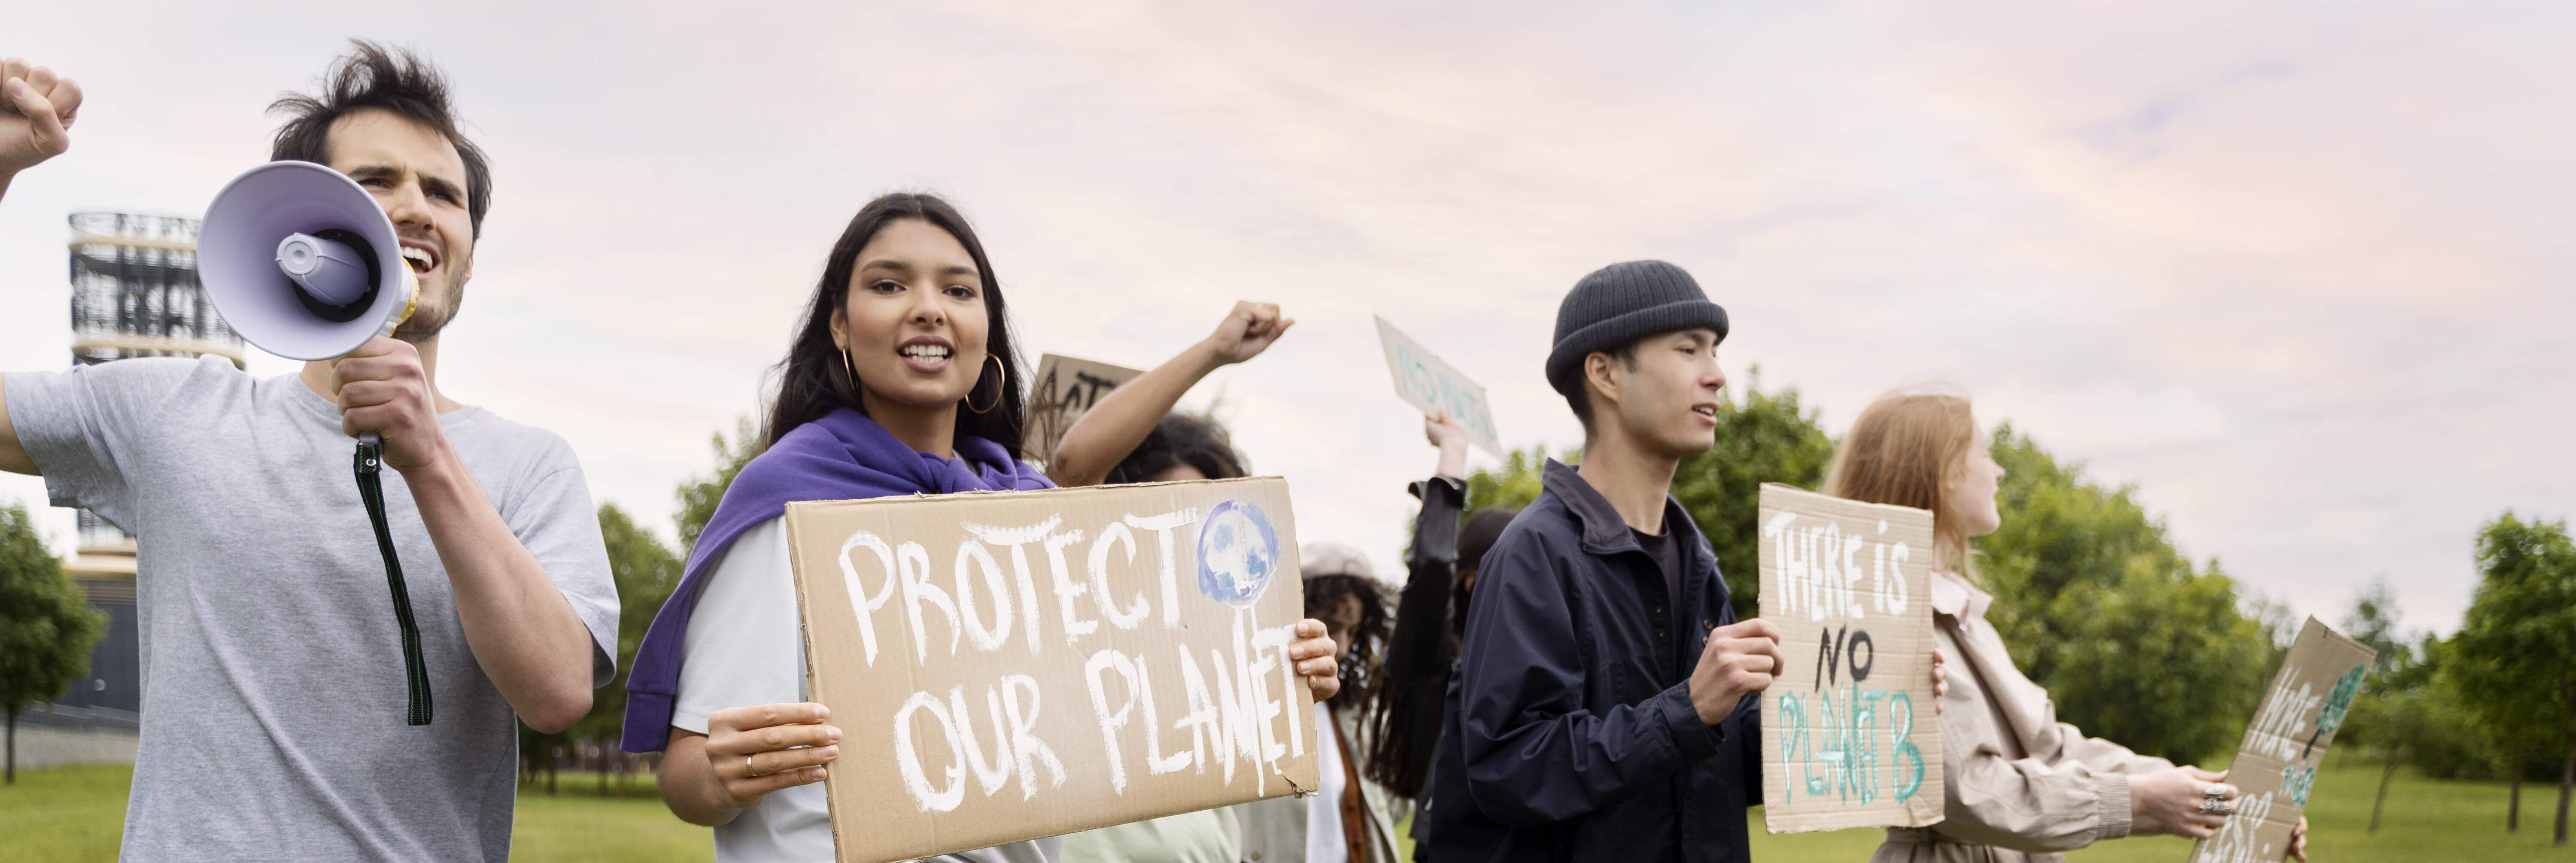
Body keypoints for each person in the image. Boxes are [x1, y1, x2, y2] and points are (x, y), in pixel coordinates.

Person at [0, 46, 619, 862]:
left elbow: (557, 693)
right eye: (377, 182)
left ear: (469, 245)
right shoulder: (177, 416)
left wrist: (429, 459)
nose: (417, 209)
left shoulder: (528, 466)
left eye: (445, 194)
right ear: (299, 221)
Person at [624, 194, 1344, 863]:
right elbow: (686, 775)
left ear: (986, 330)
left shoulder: (1024, 519)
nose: (928, 309)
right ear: (840, 324)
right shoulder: (788, 507)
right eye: (889, 285)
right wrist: (720, 776)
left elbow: (1140, 694)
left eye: (959, 291)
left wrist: (1270, 666)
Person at [1841, 389, 2311, 863]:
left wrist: (2217, 794)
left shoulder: (1963, 617)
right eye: (1984, 453)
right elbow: (1959, 795)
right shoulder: (1886, 618)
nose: (1999, 471)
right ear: (1942, 473)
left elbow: (2050, 747)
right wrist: (2139, 799)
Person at [1421, 260, 1784, 863]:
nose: (1717, 375)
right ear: (1605, 373)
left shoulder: (1700, 563)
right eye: (1689, 350)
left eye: (1715, 352)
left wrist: (1841, 713)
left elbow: (1713, 769)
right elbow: (1509, 767)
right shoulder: (1534, 555)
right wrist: (1686, 709)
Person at [1364, 411, 1519, 859]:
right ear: (1471, 578)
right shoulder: (1435, 656)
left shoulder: (1533, 652)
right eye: (1522, 567)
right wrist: (1453, 452)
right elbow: (1433, 568)